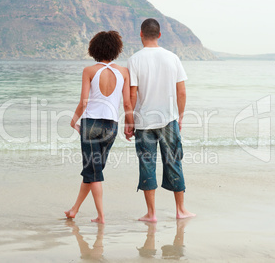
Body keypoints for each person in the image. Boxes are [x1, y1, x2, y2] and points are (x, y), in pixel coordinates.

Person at [127, 18, 196, 222]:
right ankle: (181, 210)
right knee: (174, 161)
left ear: (140, 34)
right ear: (159, 35)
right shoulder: (172, 58)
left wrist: (129, 122)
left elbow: (132, 96)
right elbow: (181, 92)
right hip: (168, 119)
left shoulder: (134, 60)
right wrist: (180, 115)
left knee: (146, 164)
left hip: (143, 122)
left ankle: (151, 214)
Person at [65, 31, 134, 224]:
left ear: (94, 49)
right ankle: (74, 210)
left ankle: (101, 217)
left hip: (90, 124)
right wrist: (130, 125)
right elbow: (127, 104)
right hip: (111, 126)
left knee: (94, 172)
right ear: (116, 49)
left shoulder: (89, 71)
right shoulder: (123, 72)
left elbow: (83, 103)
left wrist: (73, 120)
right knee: (93, 171)